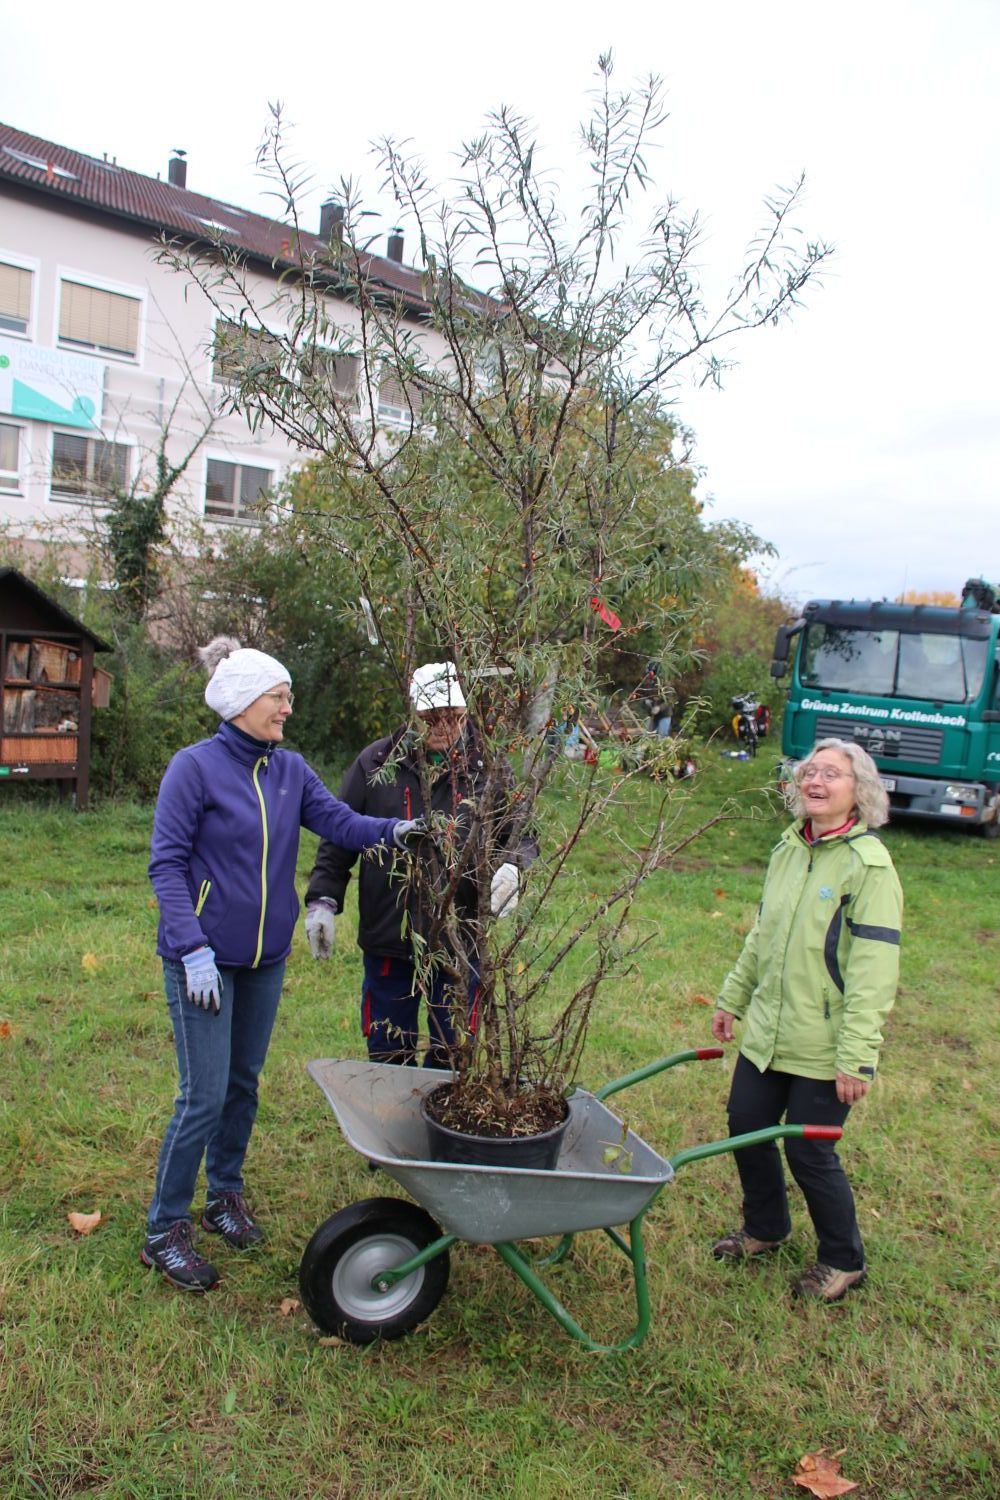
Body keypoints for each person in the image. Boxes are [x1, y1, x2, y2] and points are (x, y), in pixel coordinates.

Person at [143, 637, 424, 1292]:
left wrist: (391, 832)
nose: (288, 709)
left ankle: (224, 1197)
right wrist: (191, 947)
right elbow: (165, 864)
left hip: (264, 959)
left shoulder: (289, 770)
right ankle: (163, 1230)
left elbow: (338, 821)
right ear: (244, 702)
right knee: (202, 1096)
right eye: (279, 697)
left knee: (243, 1085)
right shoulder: (194, 769)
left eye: (288, 697)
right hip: (203, 961)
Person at [709, 737, 902, 1302]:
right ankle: (766, 1228)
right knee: (746, 1126)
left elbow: (873, 970)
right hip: (768, 1031)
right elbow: (761, 935)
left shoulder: (869, 866)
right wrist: (732, 999)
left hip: (825, 1042)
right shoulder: (788, 848)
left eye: (831, 774)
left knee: (810, 1151)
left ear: (859, 792)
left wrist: (857, 1055)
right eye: (808, 771)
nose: (814, 781)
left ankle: (843, 1260)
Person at [303, 661, 536, 1067]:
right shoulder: (376, 763)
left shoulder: (489, 767)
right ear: (414, 713)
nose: (445, 726)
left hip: (459, 938)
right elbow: (339, 836)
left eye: (454, 716)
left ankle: (437, 1128)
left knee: (454, 1051)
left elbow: (522, 833)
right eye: (433, 717)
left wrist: (514, 867)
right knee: (389, 1050)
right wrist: (323, 898)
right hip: (390, 935)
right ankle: (392, 1124)